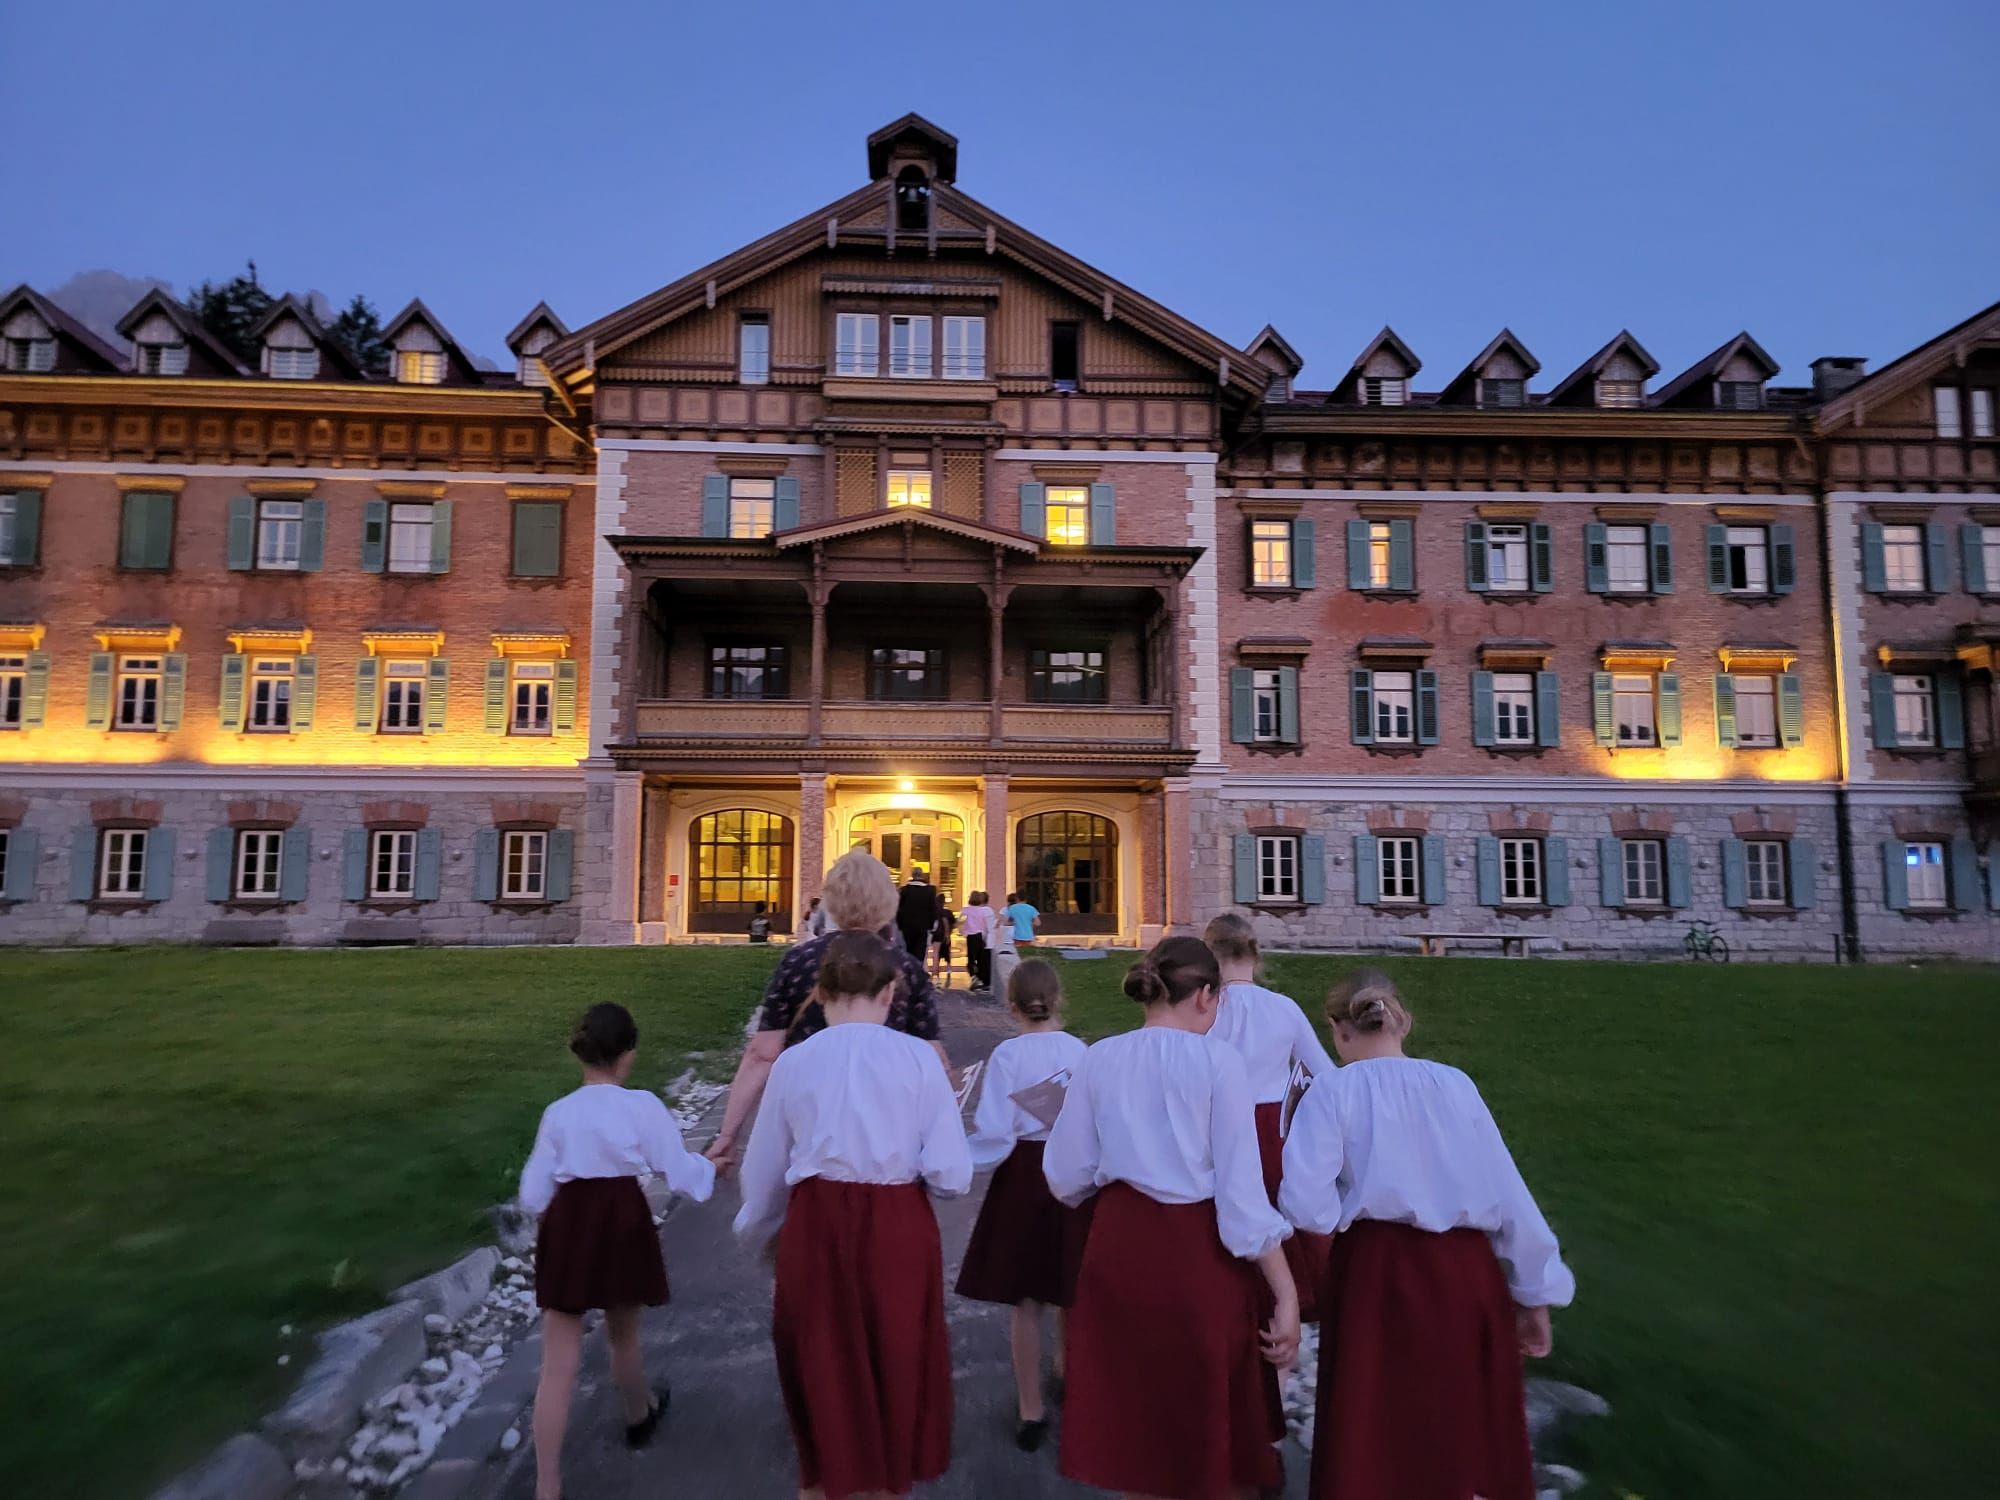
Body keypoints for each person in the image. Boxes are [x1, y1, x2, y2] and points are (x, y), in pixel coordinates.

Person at [1281, 969, 1574, 1500]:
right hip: (1464, 1274)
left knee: (1377, 1431)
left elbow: (1305, 1202)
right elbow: (1507, 1191)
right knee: (1454, 1425)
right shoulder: (1455, 1085)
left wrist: (1343, 1208)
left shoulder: (1333, 1090)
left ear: (1338, 1029)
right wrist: (1536, 1293)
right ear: (1402, 1022)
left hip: (1376, 1275)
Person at [1043, 936, 1299, 1500]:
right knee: (1206, 1420)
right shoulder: (1219, 1062)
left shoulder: (1100, 1057)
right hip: (1196, 1253)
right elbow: (1241, 1199)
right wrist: (1285, 1292)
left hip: (1117, 1248)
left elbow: (1066, 1175)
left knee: (1138, 1431)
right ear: (1207, 996)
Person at [734, 932, 974, 1500]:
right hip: (897, 1227)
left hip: (816, 1228)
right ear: (890, 993)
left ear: (820, 994)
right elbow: (951, 1174)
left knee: (823, 1372)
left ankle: (825, 1481)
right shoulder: (918, 1058)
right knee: (896, 1365)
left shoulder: (794, 1062)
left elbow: (764, 1170)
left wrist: (757, 1230)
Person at [518, 1002, 717, 1500]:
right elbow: (678, 1171)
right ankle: (637, 1414)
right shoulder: (642, 1106)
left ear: (579, 1053)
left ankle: (547, 1486)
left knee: (557, 1359)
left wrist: (549, 1216)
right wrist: (711, 1167)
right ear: (628, 1054)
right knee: (623, 1336)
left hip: (569, 1224)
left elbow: (533, 1193)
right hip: (622, 1222)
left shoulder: (559, 1113)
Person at [707, 850, 950, 1176]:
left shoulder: (798, 962)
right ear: (889, 902)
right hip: (887, 1120)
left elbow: (762, 1054)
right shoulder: (905, 968)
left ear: (831, 901)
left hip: (810, 1112)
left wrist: (728, 1133)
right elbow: (933, 1056)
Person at [954, 960, 1090, 1451]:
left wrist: (958, 1156)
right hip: (1071, 1170)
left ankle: (1031, 1409)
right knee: (1069, 1283)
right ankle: (1069, 1373)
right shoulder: (1080, 1051)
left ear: (1011, 1005)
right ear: (1058, 999)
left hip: (1024, 1175)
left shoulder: (1008, 1054)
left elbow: (994, 1129)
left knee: (1027, 1298)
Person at [1204, 911, 1337, 1324]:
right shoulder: (1283, 1008)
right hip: (1276, 1129)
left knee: (1222, 1212)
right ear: (1255, 954)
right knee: (1281, 1213)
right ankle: (1288, 1309)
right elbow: (1325, 1074)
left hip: (1218, 1126)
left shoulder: (1204, 1010)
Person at [896, 868, 943, 968]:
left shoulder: (904, 890)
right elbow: (933, 909)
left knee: (908, 951)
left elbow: (899, 910)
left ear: (912, 876)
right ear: (922, 875)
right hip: (923, 927)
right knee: (920, 952)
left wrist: (899, 926)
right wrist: (932, 926)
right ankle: (918, 970)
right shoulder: (930, 890)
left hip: (907, 927)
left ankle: (910, 971)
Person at [958, 890, 995, 990]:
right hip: (979, 936)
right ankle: (979, 978)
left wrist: (962, 931)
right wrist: (984, 937)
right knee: (980, 958)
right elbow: (984, 926)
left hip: (970, 936)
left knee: (971, 958)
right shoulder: (981, 911)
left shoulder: (965, 909)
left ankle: (973, 975)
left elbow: (959, 921)